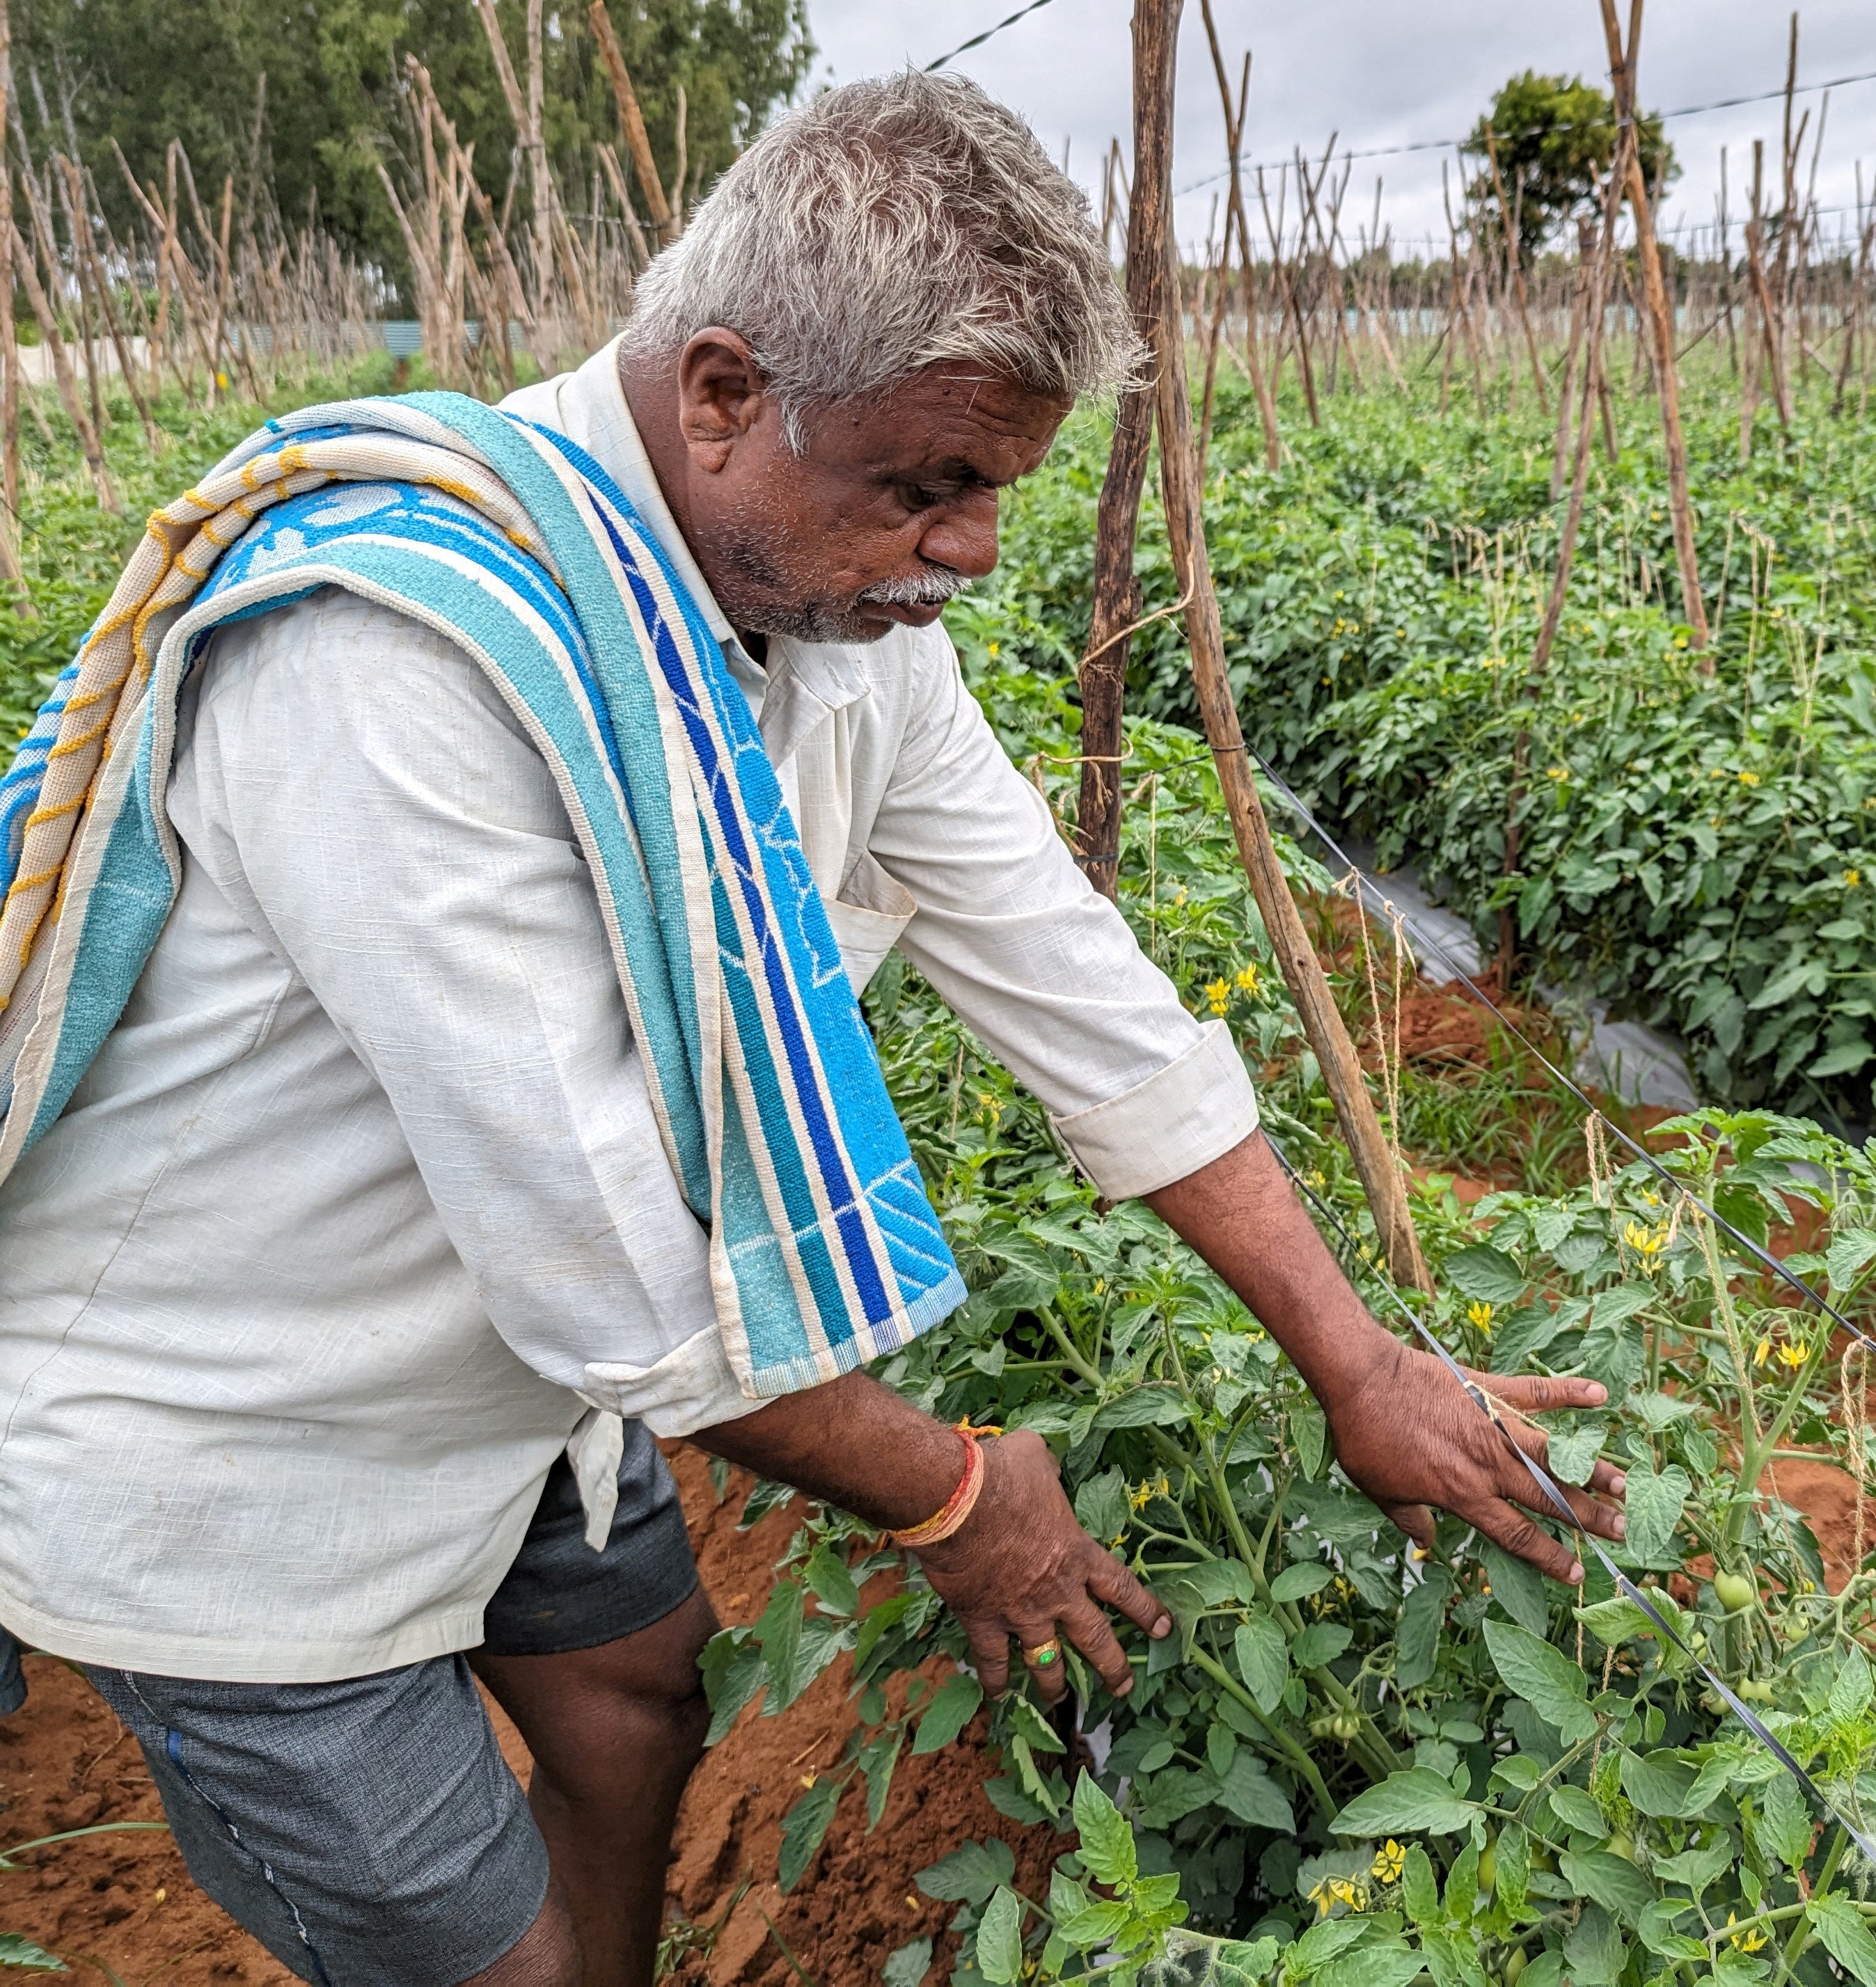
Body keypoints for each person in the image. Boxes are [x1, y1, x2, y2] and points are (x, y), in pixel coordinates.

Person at [0, 73, 1623, 1987]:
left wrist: (1357, 1360)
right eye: (926, 483)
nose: (976, 551)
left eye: (997, 489)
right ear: (719, 393)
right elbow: (603, 1261)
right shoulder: (403, 660)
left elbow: (1071, 981)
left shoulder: (837, 630)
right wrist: (954, 1492)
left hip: (506, 1383)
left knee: (634, 1696)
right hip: (243, 1441)